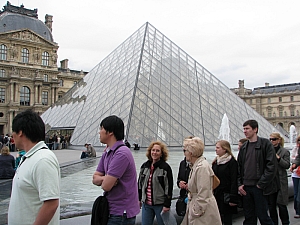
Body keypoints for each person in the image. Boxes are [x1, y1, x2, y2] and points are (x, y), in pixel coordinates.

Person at [8, 109, 60, 225]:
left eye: (13, 131)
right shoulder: (30, 156)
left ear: (20, 132)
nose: (12, 135)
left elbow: (51, 203)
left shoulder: (43, 160)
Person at [92, 115, 140, 225]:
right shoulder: (108, 152)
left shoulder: (121, 154)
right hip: (112, 211)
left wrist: (105, 180)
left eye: (101, 128)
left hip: (121, 214)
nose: (99, 132)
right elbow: (95, 178)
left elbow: (105, 186)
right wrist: (107, 178)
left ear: (110, 132)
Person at [237, 119, 278, 225]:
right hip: (246, 187)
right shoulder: (244, 147)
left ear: (255, 129)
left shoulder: (265, 144)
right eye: (244, 129)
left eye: (247, 129)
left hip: (259, 187)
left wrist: (261, 184)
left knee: (263, 216)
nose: (245, 131)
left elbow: (271, 166)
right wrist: (240, 184)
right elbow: (239, 167)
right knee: (249, 217)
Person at [181, 137, 222, 225]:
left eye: (184, 151)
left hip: (202, 212)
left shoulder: (201, 167)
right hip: (200, 208)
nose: (184, 153)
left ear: (190, 153)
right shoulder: (197, 165)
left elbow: (204, 192)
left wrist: (196, 211)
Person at [138, 141, 173, 225]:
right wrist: (139, 199)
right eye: (153, 150)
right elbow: (139, 184)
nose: (154, 152)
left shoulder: (165, 168)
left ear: (162, 153)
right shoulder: (144, 166)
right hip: (146, 204)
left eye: (157, 151)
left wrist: (167, 204)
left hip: (160, 204)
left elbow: (169, 186)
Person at [212, 140, 238, 225]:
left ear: (225, 149)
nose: (216, 149)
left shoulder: (232, 162)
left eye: (218, 147)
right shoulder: (215, 161)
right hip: (217, 194)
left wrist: (233, 197)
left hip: (227, 194)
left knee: (227, 218)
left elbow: (234, 180)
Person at [267, 132, 290, 225]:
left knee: (282, 205)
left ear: (279, 140)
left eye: (274, 139)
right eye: (270, 139)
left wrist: (279, 158)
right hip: (271, 181)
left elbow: (287, 165)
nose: (272, 141)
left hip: (281, 181)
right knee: (271, 206)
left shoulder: (285, 151)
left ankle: (285, 222)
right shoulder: (268, 151)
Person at [290, 135, 300, 218]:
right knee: (297, 194)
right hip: (296, 173)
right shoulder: (297, 148)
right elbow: (298, 158)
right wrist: (295, 164)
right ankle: (298, 211)